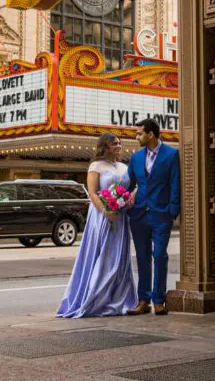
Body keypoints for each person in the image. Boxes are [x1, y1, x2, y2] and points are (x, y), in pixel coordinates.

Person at [56, 133, 138, 317]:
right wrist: (105, 211)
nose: (119, 146)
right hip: (102, 215)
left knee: (119, 257)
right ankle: (97, 299)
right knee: (104, 254)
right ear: (105, 146)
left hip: (121, 217)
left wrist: (129, 199)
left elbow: (130, 189)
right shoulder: (96, 166)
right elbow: (93, 193)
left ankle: (117, 298)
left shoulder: (124, 167)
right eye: (115, 144)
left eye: (119, 143)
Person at [126, 118, 181, 316]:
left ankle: (159, 299)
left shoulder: (171, 154)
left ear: (150, 135)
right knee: (142, 257)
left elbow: (175, 183)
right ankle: (143, 301)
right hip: (139, 215)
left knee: (159, 255)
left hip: (161, 214)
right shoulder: (135, 158)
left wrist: (172, 210)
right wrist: (120, 202)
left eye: (139, 133)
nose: (136, 137)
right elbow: (129, 185)